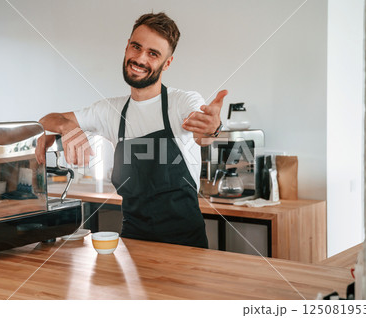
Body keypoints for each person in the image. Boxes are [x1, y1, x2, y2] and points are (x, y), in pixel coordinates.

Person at [37, 12, 227, 248]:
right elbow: (46, 120)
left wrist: (212, 128)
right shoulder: (109, 110)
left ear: (167, 63)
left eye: (153, 54)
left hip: (186, 247)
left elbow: (202, 135)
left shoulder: (182, 102)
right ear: (127, 46)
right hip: (133, 244)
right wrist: (66, 127)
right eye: (136, 47)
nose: (140, 58)